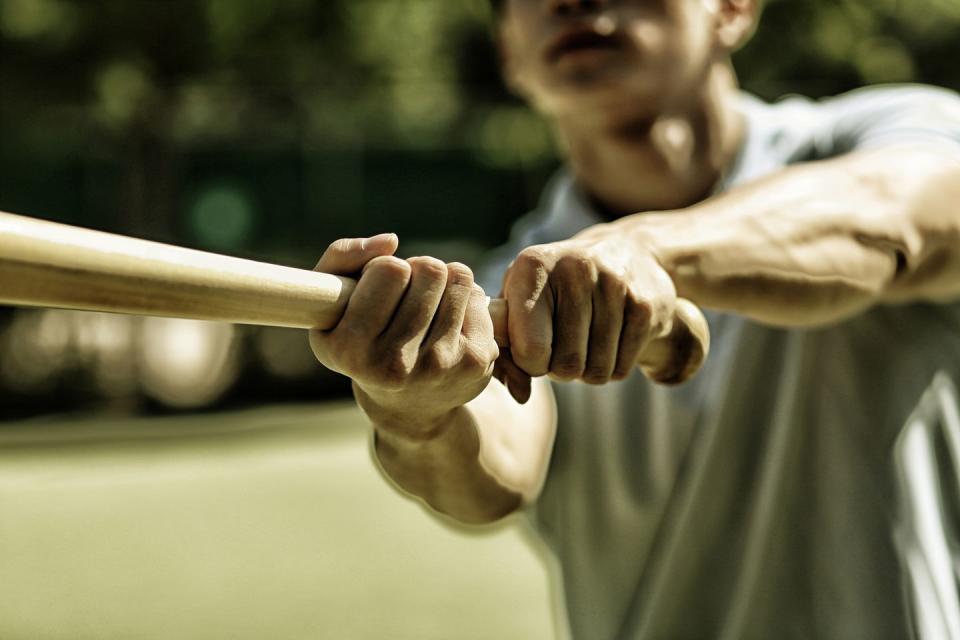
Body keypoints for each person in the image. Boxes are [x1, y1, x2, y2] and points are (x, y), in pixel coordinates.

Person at [309, 0, 960, 637]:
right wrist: (418, 415)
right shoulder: (505, 291)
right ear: (511, 55)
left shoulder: (901, 129)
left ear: (732, 9)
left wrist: (650, 250)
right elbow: (492, 476)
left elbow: (892, 217)